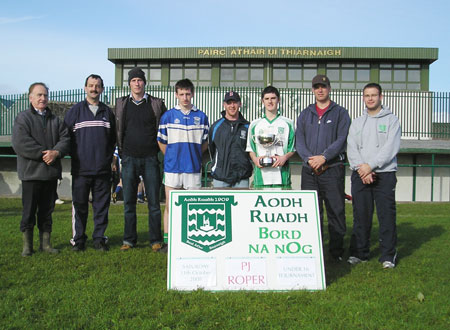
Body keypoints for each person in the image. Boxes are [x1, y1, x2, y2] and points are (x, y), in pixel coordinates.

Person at [295, 75, 351, 261]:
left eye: (323, 87)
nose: (320, 90)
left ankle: (336, 254)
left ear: (329, 88)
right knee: (311, 212)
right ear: (312, 90)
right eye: (316, 87)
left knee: (335, 210)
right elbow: (299, 141)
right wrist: (309, 159)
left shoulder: (340, 113)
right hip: (309, 170)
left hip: (332, 169)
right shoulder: (305, 113)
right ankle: (313, 251)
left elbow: (341, 140)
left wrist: (324, 157)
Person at [12, 82, 70, 256]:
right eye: (39, 95)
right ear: (31, 98)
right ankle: (27, 246)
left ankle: (45, 244)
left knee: (47, 212)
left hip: (50, 175)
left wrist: (56, 152)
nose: (42, 98)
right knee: (29, 211)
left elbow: (65, 139)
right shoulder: (22, 118)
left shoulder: (55, 120)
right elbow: (20, 143)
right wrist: (44, 154)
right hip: (31, 174)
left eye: (45, 95)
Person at [347, 83, 401, 269]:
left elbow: (390, 149)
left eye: (374, 95)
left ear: (381, 97)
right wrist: (362, 169)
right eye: (367, 95)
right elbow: (352, 148)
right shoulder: (357, 122)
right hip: (360, 174)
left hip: (384, 173)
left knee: (386, 216)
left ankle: (388, 255)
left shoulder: (392, 120)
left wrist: (371, 166)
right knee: (361, 215)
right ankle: (359, 253)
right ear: (363, 98)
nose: (370, 98)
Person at [114, 67, 166, 252]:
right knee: (129, 202)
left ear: (145, 82)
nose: (137, 83)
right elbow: (116, 130)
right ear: (129, 83)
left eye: (140, 80)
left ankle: (155, 240)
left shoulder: (156, 104)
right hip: (128, 158)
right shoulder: (121, 104)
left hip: (151, 158)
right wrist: (117, 155)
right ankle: (129, 240)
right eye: (134, 80)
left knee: (153, 202)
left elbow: (164, 129)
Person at [64, 74, 116, 252]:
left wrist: (108, 159)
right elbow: (66, 137)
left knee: (101, 207)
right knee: (79, 206)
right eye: (91, 85)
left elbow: (113, 140)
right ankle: (78, 240)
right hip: (81, 170)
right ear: (85, 88)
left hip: (102, 170)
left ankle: (99, 239)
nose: (94, 89)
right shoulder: (75, 111)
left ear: (102, 89)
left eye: (98, 86)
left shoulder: (108, 112)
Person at [158, 79, 209, 250]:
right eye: (181, 94)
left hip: (193, 168)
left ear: (193, 94)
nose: (185, 97)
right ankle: (168, 241)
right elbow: (162, 143)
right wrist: (173, 156)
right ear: (176, 95)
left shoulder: (201, 117)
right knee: (170, 207)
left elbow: (204, 144)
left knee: (193, 207)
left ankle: (190, 241)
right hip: (172, 168)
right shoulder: (168, 116)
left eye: (188, 94)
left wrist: (191, 155)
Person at [246, 86, 295, 189]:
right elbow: (251, 148)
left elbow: (293, 148)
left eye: (273, 98)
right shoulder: (255, 124)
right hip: (261, 179)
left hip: (282, 177)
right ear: (262, 101)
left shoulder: (288, 123)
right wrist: (255, 160)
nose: (270, 102)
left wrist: (284, 157)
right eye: (267, 99)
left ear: (279, 100)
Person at [209, 91, 253, 188]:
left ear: (240, 104)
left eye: (235, 102)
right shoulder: (216, 126)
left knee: (243, 203)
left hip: (241, 178)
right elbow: (212, 149)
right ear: (224, 105)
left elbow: (251, 150)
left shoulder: (248, 127)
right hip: (221, 177)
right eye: (229, 103)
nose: (232, 106)